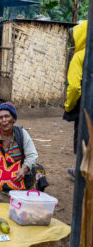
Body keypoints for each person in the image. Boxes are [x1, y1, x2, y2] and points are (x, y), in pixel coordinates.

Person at [0, 103, 48, 191]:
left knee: (39, 170)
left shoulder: (21, 134)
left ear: (14, 119)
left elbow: (32, 155)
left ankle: (29, 190)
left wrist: (23, 170)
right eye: (0, 118)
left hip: (20, 171)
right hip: (0, 172)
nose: (4, 120)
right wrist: (1, 171)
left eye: (7, 116)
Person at [64, 20, 87, 179]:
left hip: (84, 106)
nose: (72, 43)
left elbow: (74, 88)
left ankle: (81, 172)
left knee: (82, 139)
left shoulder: (79, 57)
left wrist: (68, 105)